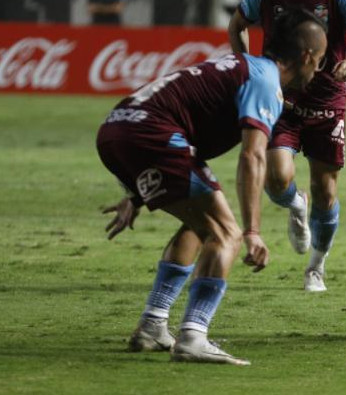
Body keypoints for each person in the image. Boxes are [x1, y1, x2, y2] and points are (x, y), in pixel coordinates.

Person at [97, 8, 328, 365]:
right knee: (226, 234)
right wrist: (251, 231)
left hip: (115, 130)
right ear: (308, 56)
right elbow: (252, 157)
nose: (319, 69)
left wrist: (136, 193)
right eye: (321, 59)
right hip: (152, 136)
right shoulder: (266, 82)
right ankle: (193, 335)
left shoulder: (244, 68)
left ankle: (152, 324)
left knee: (199, 224)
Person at [228, 0, 346, 292]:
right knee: (275, 178)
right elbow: (236, 26)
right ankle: (296, 202)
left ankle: (315, 268)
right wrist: (250, 70)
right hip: (281, 95)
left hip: (327, 102)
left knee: (326, 191)